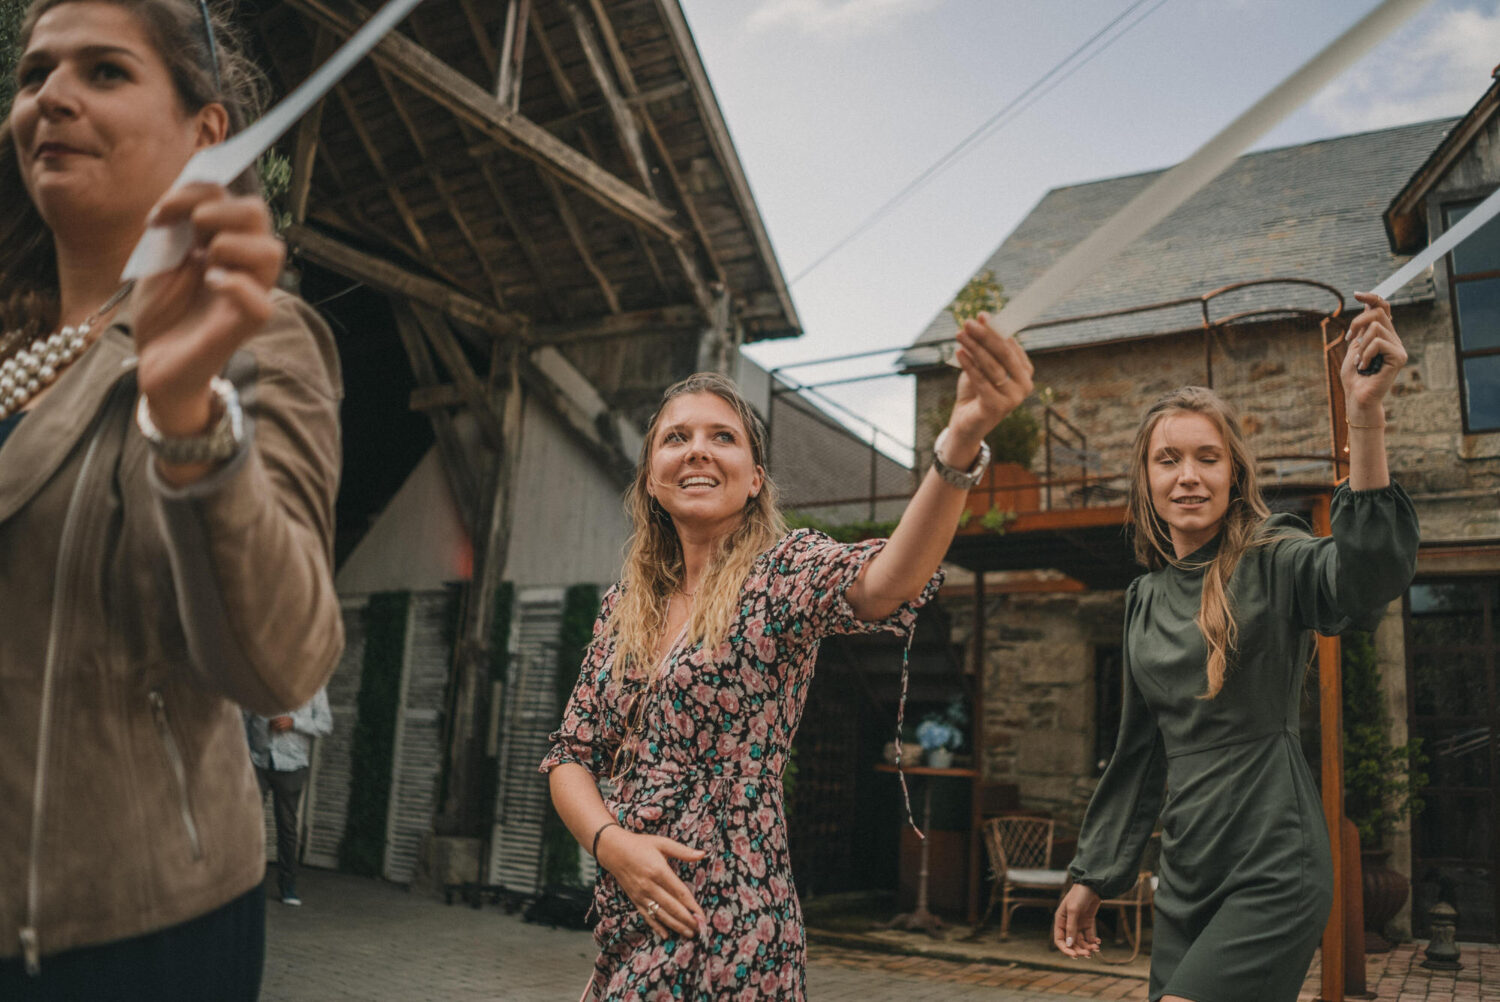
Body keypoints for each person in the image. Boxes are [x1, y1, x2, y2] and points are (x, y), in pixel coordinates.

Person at [0, 1, 344, 999]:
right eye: (33, 76)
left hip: (123, 941)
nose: (52, 97)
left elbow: (281, 661)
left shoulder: (262, 336)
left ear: (206, 132)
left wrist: (190, 420)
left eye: (104, 71)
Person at [541, 310, 1033, 1001]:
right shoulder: (626, 604)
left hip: (731, 921)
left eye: (723, 438)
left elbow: (887, 583)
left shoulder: (781, 572)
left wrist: (959, 445)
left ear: (754, 480)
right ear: (652, 478)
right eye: (676, 438)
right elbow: (570, 754)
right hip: (630, 918)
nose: (699, 451)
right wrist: (610, 844)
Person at [1053, 293, 1420, 1002]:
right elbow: (1139, 755)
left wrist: (1364, 415)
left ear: (1232, 474)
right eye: (1168, 460)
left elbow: (1368, 576)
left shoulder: (1275, 558)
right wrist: (1092, 874)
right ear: (1148, 479)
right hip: (1188, 874)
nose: (1188, 475)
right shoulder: (1142, 601)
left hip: (1274, 862)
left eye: (1206, 458)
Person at [245, 689, 333, 907]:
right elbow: (242, 721)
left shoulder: (313, 686)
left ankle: (288, 886)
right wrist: (246, 755)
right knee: (249, 826)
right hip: (259, 761)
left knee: (287, 827)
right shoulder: (255, 681)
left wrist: (294, 722)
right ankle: (245, 887)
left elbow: (325, 724)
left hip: (292, 765)